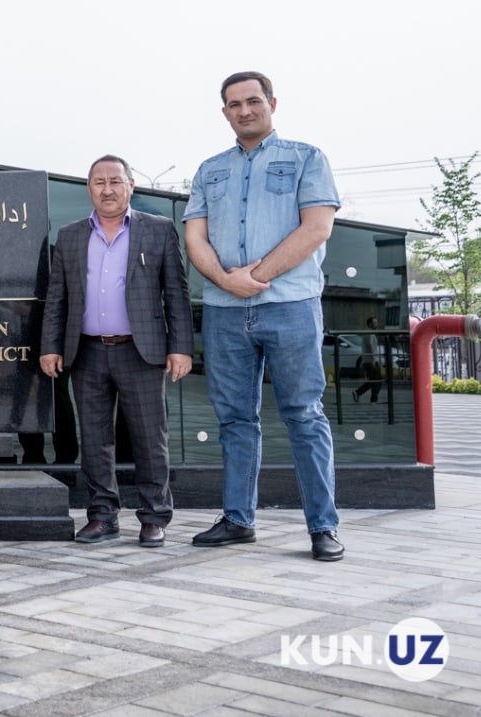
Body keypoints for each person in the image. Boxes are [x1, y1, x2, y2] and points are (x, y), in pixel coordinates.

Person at [184, 70, 345, 562]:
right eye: (234, 104)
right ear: (225, 112)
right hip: (225, 313)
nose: (245, 110)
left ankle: (323, 527)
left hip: (290, 306)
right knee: (234, 419)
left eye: (253, 101)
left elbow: (317, 228)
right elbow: (195, 237)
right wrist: (225, 281)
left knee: (303, 415)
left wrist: (254, 275)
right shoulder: (209, 169)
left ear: (272, 102)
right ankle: (238, 519)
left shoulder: (306, 158)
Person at [40, 155, 194, 547]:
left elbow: (176, 293)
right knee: (94, 440)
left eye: (115, 181)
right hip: (86, 352)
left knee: (148, 438)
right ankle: (102, 516)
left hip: (140, 352)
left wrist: (180, 348)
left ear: (130, 186)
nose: (107, 189)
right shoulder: (72, 235)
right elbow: (57, 297)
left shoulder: (158, 230)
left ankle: (154, 516)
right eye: (98, 182)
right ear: (88, 188)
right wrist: (50, 346)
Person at [353, 316, 384, 403]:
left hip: (370, 360)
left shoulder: (371, 333)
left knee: (374, 381)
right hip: (370, 361)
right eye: (374, 323)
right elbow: (369, 346)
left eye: (376, 323)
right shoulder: (369, 333)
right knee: (377, 381)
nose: (376, 325)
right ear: (370, 324)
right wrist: (372, 359)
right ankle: (372, 399)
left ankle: (359, 393)